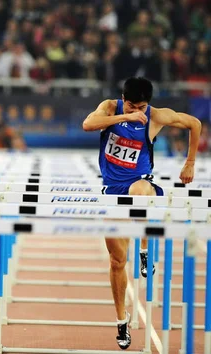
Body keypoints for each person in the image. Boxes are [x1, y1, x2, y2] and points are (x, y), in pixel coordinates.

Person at [83, 77, 201, 350]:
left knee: (139, 190)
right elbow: (88, 124)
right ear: (123, 99)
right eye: (132, 104)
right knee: (116, 261)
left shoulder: (156, 116)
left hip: (141, 185)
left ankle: (145, 249)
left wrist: (190, 162)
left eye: (142, 106)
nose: (138, 110)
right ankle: (121, 321)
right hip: (112, 190)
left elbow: (194, 124)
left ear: (149, 104)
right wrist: (125, 115)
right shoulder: (110, 108)